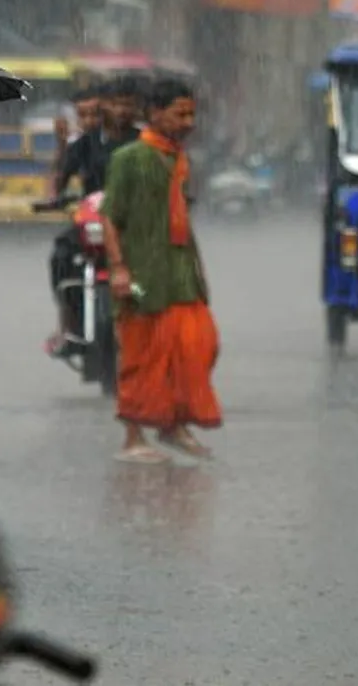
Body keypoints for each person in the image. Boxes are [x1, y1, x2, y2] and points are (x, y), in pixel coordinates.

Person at [100, 79, 222, 464]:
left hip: (180, 276)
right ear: (154, 113)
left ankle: (173, 425)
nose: (188, 121)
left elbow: (183, 219)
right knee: (142, 356)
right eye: (179, 113)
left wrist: (199, 273)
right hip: (141, 276)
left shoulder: (180, 160)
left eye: (191, 114)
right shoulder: (129, 158)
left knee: (198, 347)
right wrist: (119, 269)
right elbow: (109, 217)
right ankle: (133, 437)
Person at [44, 78, 141, 357]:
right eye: (82, 114)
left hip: (129, 224)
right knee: (61, 256)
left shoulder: (140, 141)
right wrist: (61, 147)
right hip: (92, 222)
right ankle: (67, 322)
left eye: (125, 105)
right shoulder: (83, 145)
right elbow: (59, 182)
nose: (120, 111)